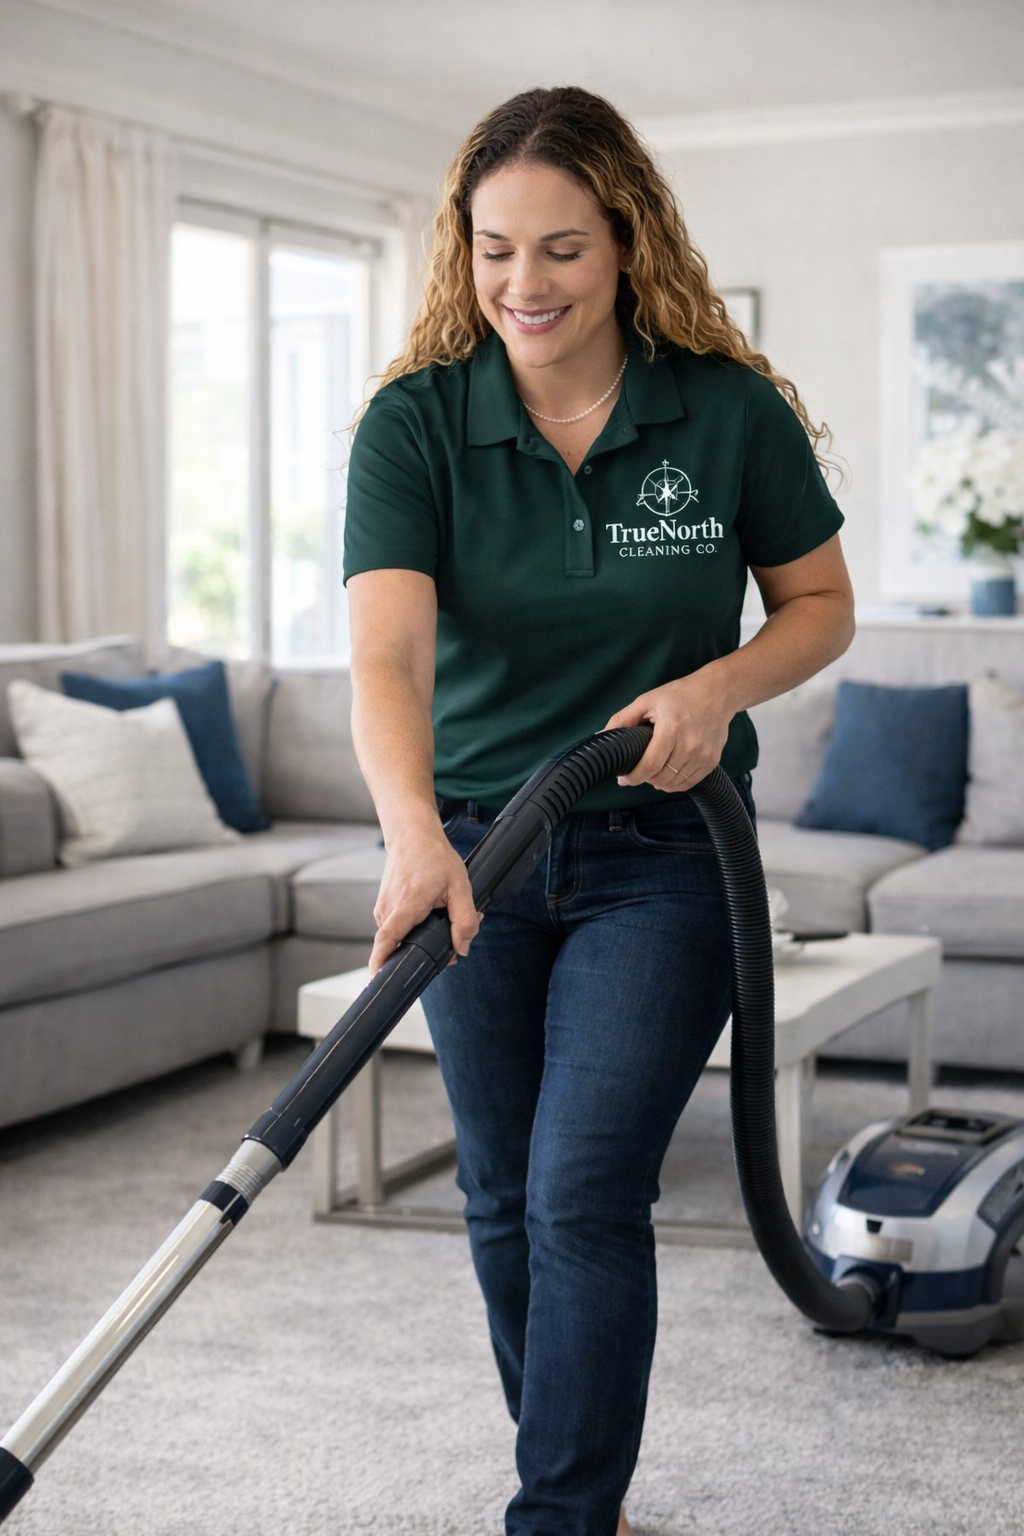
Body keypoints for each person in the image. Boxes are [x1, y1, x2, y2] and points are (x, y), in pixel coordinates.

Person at [343, 86, 855, 1536]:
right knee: (500, 1192)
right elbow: (384, 654)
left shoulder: (726, 409)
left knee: (579, 1191)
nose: (525, 284)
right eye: (496, 248)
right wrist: (410, 836)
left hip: (666, 855)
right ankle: (573, 1482)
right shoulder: (416, 424)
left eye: (562, 248)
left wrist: (718, 688)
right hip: (474, 847)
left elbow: (819, 608)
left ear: (627, 241)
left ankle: (557, 1519)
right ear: (463, 247)